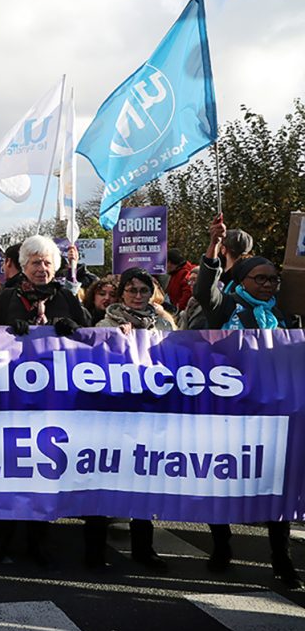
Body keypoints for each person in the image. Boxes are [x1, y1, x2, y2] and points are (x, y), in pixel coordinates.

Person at [195, 215, 301, 589]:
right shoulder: (228, 309)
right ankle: (221, 549)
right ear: (242, 281)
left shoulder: (284, 316)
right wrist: (213, 246)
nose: (269, 284)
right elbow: (203, 291)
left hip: (273, 415)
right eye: (261, 279)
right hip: (230, 414)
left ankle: (281, 559)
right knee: (223, 483)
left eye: (273, 279)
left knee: (277, 488)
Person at [0, 236, 89, 567]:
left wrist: (73, 328)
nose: (41, 269)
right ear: (24, 267)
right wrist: (7, 332)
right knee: (11, 470)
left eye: (47, 263)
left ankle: (38, 540)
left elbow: (88, 339)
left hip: (53, 402)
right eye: (35, 263)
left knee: (45, 472)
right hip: (13, 399)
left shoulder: (67, 298)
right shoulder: (5, 298)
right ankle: (2, 538)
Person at [84, 268, 173, 571]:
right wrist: (112, 341)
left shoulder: (163, 324)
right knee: (104, 480)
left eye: (143, 290)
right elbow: (93, 366)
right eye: (131, 290)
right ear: (121, 293)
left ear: (151, 293)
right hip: (112, 415)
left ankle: (143, 549)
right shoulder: (105, 323)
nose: (137, 296)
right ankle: (94, 550)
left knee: (143, 482)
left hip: (149, 413)